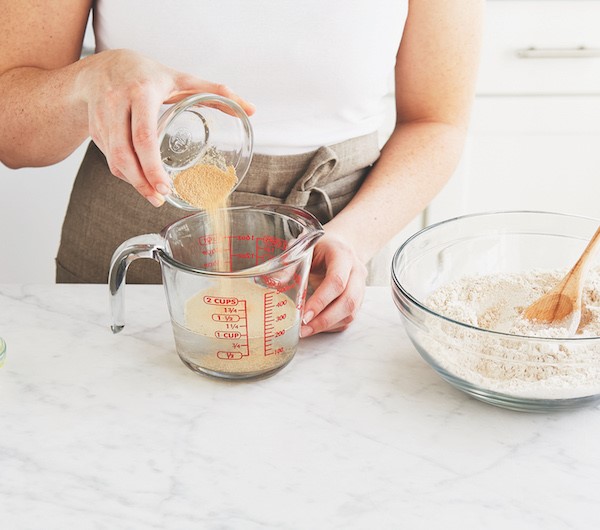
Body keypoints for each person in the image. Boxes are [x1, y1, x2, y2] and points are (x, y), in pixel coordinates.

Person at [0, 0, 483, 338]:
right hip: (135, 242)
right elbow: (12, 135)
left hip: (333, 251)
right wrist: (89, 80)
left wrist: (355, 239)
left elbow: (436, 122)